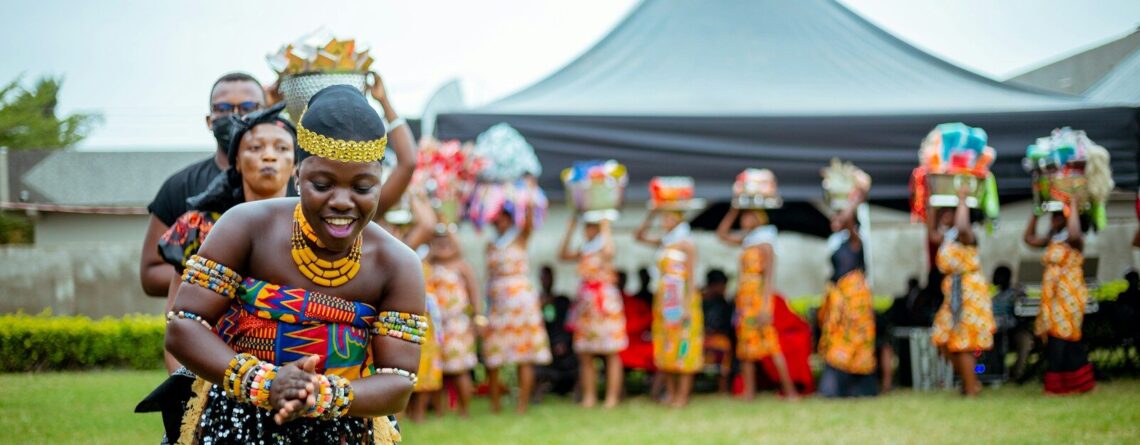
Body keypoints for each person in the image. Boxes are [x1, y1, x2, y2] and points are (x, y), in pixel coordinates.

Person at [165, 85, 424, 444]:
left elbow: (399, 380)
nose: (342, 202)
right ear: (298, 176)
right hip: (237, 425)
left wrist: (322, 394)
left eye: (363, 188)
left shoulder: (398, 263)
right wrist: (266, 384)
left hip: (344, 431)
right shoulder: (246, 226)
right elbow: (185, 325)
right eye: (322, 184)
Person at [136, 102, 299, 442]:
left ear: (295, 164)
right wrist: (186, 389)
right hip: (217, 379)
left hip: (295, 381)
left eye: (281, 148)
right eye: (256, 147)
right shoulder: (199, 226)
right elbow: (178, 319)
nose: (269, 156)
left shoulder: (311, 233)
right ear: (236, 161)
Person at [140, 73, 265, 298]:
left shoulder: (295, 184)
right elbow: (150, 273)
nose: (236, 115)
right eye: (224, 108)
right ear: (209, 120)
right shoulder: (179, 186)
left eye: (248, 107)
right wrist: (220, 279)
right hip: (203, 325)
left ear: (265, 114)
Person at [717, 207, 798, 400]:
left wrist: (765, 306)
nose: (744, 219)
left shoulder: (765, 243)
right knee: (745, 347)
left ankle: (790, 391)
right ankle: (749, 392)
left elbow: (770, 278)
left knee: (771, 345)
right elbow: (722, 234)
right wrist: (733, 210)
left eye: (748, 215)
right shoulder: (747, 241)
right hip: (744, 301)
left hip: (759, 299)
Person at [483, 199, 552, 414]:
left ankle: (522, 405)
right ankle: (495, 404)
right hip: (498, 302)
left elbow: (529, 222)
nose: (500, 222)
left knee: (524, 354)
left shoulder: (520, 238)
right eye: (497, 218)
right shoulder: (491, 245)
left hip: (521, 303)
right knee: (494, 354)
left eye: (503, 217)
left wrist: (523, 195)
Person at [378, 194, 441, 423]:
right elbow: (427, 224)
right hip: (389, 318)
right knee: (394, 373)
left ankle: (409, 420)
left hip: (410, 317)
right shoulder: (390, 246)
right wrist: (413, 191)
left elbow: (427, 225)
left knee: (407, 371)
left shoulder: (403, 247)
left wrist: (414, 194)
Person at [1024, 195, 1095, 395]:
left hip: (1069, 294)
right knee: (1056, 335)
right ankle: (1073, 384)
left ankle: (1058, 384)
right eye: (1053, 215)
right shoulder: (1052, 239)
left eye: (1058, 216)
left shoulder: (1075, 240)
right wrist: (1036, 213)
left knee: (1063, 335)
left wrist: (1071, 204)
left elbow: (1074, 234)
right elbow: (1028, 239)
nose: (1053, 219)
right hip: (1052, 294)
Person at [929, 185, 995, 397]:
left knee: (964, 343)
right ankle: (971, 381)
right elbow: (931, 233)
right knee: (943, 339)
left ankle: (970, 388)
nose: (944, 215)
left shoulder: (967, 236)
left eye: (949, 211)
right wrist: (931, 200)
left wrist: (962, 198)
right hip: (954, 294)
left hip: (970, 293)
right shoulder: (947, 238)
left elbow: (963, 226)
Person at [635, 209, 703, 408]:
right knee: (667, 345)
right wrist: (652, 214)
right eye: (664, 216)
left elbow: (691, 278)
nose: (666, 221)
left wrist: (688, 306)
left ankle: (682, 395)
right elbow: (638, 236)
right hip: (665, 300)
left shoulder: (686, 244)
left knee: (684, 345)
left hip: (682, 298)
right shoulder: (665, 242)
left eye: (669, 216)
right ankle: (671, 393)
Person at [558, 217, 627, 408]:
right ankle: (590, 396)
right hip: (586, 305)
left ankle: (611, 398)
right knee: (585, 353)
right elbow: (562, 255)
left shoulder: (604, 247)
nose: (588, 230)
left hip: (604, 304)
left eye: (592, 226)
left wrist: (605, 225)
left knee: (611, 352)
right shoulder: (584, 250)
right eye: (586, 226)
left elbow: (610, 252)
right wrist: (570, 229)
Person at [817, 190, 878, 398]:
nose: (836, 219)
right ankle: (836, 387)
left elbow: (848, 219)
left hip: (856, 299)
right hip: (839, 297)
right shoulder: (836, 241)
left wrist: (855, 200)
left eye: (839, 216)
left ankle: (858, 387)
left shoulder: (855, 240)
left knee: (857, 340)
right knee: (837, 339)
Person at [427, 229, 483, 417]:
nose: (442, 245)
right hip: (434, 327)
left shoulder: (461, 265)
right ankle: (439, 411)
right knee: (436, 371)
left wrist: (478, 318)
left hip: (457, 325)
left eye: (446, 241)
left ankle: (464, 411)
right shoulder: (428, 264)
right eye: (438, 240)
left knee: (460, 370)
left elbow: (475, 293)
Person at [534, 266, 577, 399]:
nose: (546, 280)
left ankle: (577, 392)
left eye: (548, 276)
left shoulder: (562, 300)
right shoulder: (535, 301)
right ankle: (536, 394)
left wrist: (563, 341)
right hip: (543, 341)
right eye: (543, 277)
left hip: (564, 341)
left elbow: (569, 325)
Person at [699, 270, 733, 394]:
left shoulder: (723, 302)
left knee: (723, 344)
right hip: (700, 337)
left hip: (717, 338)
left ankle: (722, 389)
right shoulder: (698, 300)